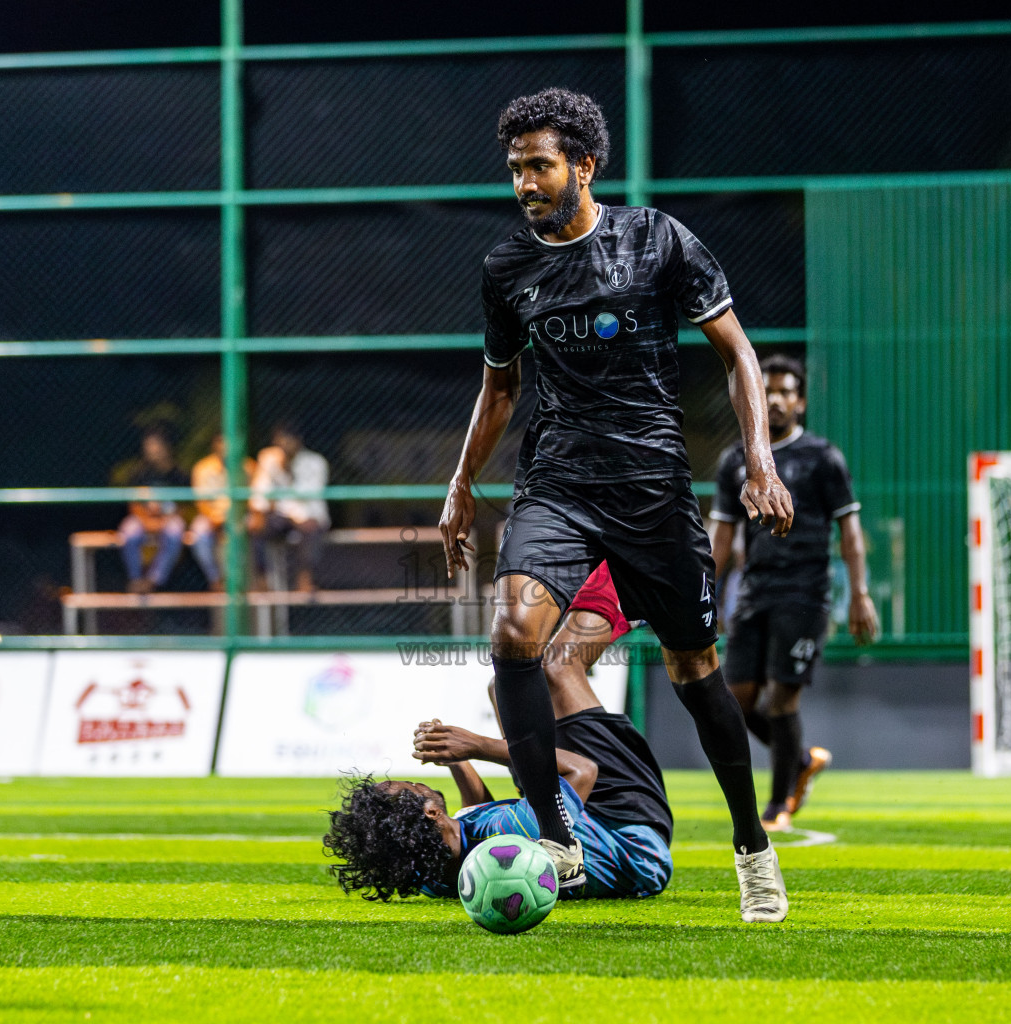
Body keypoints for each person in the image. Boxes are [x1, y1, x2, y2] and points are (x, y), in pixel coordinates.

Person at [437, 87, 794, 922]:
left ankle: (750, 844)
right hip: (558, 482)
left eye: (539, 166)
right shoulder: (506, 268)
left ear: (584, 165)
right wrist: (460, 485)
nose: (524, 183)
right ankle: (559, 839)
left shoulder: (656, 239)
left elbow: (738, 354)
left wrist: (760, 464)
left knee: (694, 674)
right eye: (515, 168)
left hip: (653, 491)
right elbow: (499, 388)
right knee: (513, 637)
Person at [324, 638, 673, 902]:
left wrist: (456, 760)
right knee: (557, 666)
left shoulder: (430, 874)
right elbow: (580, 771)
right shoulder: (512, 829)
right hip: (631, 836)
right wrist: (477, 745)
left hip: (583, 822)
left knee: (504, 690)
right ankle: (626, 594)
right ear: (430, 812)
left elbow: (474, 815)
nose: (417, 781)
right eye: (412, 786)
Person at [710, 354, 879, 833]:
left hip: (804, 593)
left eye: (787, 391)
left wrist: (860, 595)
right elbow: (721, 537)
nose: (778, 399)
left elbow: (851, 532)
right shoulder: (734, 461)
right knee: (736, 703)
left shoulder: (823, 458)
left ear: (800, 402)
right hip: (754, 592)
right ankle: (802, 760)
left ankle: (778, 804)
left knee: (782, 702)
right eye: (768, 391)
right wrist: (710, 591)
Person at [249, 422, 330, 592]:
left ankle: (305, 579)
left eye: (288, 441)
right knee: (255, 527)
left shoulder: (316, 462)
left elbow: (310, 495)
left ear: (298, 441)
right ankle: (261, 578)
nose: (284, 446)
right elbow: (261, 490)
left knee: (312, 528)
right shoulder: (268, 458)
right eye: (280, 441)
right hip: (280, 515)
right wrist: (260, 512)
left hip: (308, 515)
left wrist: (286, 472)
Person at [118, 427, 189, 594]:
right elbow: (134, 505)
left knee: (175, 531)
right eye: (148, 445)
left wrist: (163, 521)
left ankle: (153, 579)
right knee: (128, 532)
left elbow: (183, 507)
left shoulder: (179, 474)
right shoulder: (139, 473)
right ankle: (136, 579)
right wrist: (147, 521)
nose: (152, 449)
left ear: (167, 447)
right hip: (143, 519)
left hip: (168, 519)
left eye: (156, 445)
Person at [188, 434, 253, 591]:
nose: (226, 449)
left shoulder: (248, 466)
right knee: (198, 534)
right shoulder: (203, 468)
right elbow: (201, 502)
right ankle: (215, 579)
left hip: (239, 515)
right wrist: (214, 519)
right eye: (222, 444)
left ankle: (243, 579)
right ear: (215, 446)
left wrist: (234, 517)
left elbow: (252, 499)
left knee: (253, 527)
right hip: (210, 516)